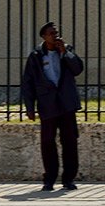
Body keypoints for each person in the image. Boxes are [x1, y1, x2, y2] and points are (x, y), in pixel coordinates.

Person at [20, 22, 85, 190]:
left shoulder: (66, 50)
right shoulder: (36, 55)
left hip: (66, 104)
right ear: (44, 37)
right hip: (47, 104)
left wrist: (65, 52)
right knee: (48, 142)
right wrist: (29, 107)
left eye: (56, 33)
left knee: (69, 141)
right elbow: (28, 82)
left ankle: (68, 179)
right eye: (51, 33)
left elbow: (78, 69)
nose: (55, 36)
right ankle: (49, 179)